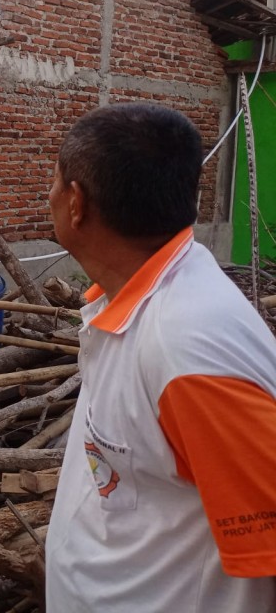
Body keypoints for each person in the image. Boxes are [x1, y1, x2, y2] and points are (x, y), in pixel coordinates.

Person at [44, 102, 276, 612]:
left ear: (77, 203)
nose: (51, 193)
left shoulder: (190, 352)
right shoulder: (134, 302)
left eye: (55, 180)